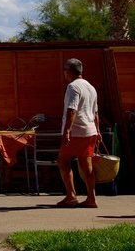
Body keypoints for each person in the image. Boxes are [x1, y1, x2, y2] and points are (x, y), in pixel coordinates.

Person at [57, 58, 100, 208]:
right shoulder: (90, 87)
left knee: (63, 160)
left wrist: (67, 130)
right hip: (91, 130)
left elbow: (72, 109)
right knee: (86, 164)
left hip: (77, 131)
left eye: (64, 69)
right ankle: (91, 198)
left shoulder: (73, 87)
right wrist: (98, 130)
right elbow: (95, 113)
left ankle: (71, 196)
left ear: (69, 71)